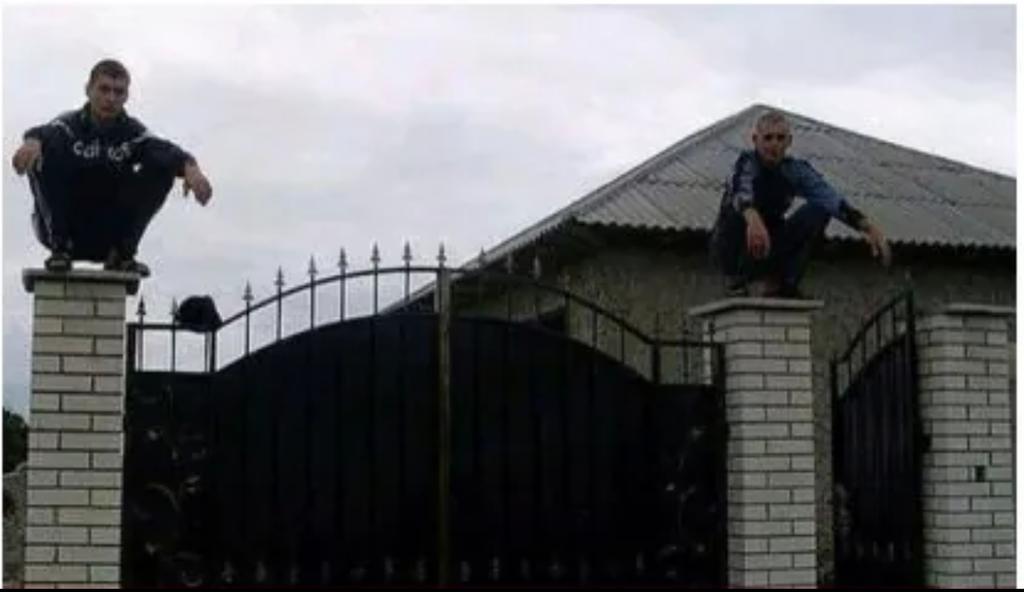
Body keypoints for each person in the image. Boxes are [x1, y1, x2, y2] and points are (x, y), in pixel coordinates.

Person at [11, 58, 213, 277]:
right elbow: (43, 132)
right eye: (104, 89)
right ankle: (60, 249)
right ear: (88, 90)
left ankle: (123, 254)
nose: (111, 98)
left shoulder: (133, 133)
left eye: (118, 92)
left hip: (108, 234)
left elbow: (164, 150)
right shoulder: (67, 126)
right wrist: (32, 142)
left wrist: (191, 169)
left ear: (126, 96)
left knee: (163, 165)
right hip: (63, 228)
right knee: (44, 149)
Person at [709, 109, 890, 298]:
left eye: (780, 138)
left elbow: (830, 199)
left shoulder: (794, 170)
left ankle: (785, 285)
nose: (774, 144)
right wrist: (752, 217)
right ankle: (735, 279)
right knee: (733, 212)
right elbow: (740, 188)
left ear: (789, 141)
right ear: (756, 140)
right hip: (736, 246)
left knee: (818, 211)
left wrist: (867, 227)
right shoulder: (746, 163)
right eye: (768, 138)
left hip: (769, 245)